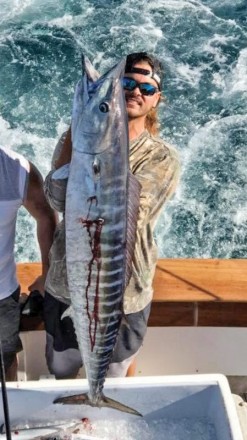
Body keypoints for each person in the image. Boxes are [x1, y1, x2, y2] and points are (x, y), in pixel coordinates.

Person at [43, 52, 180, 379]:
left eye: (147, 88)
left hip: (122, 293)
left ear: (156, 100)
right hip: (65, 284)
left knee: (114, 375)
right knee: (59, 366)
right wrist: (82, 130)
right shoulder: (74, 138)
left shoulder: (163, 158)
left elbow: (133, 213)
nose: (136, 91)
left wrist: (97, 151)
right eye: (128, 82)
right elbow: (55, 197)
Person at [0, 146, 57, 381]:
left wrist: (47, 273)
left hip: (1, 295)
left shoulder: (15, 167)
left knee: (3, 362)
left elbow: (45, 214)